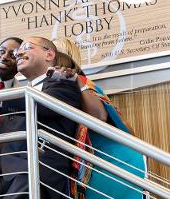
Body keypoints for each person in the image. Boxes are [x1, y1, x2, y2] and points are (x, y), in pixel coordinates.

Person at [0, 36, 82, 199]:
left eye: (26, 47)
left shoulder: (63, 83)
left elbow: (44, 105)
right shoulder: (17, 95)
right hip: (0, 184)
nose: (19, 53)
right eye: (17, 51)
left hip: (35, 176)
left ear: (49, 55)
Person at [52, 38, 145, 199]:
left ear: (65, 57)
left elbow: (99, 118)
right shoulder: (60, 84)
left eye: (53, 51)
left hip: (111, 162)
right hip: (100, 162)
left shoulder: (81, 82)